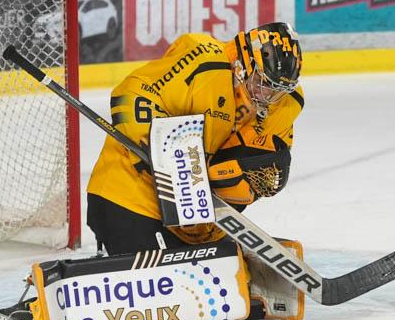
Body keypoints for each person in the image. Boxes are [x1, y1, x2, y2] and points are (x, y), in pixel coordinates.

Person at [86, 22, 304, 256]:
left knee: (210, 286)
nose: (269, 96)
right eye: (263, 83)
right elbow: (133, 90)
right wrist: (157, 148)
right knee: (157, 282)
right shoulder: (204, 60)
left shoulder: (287, 103)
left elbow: (264, 163)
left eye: (278, 89)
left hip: (199, 222)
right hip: (131, 198)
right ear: (244, 64)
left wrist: (253, 179)